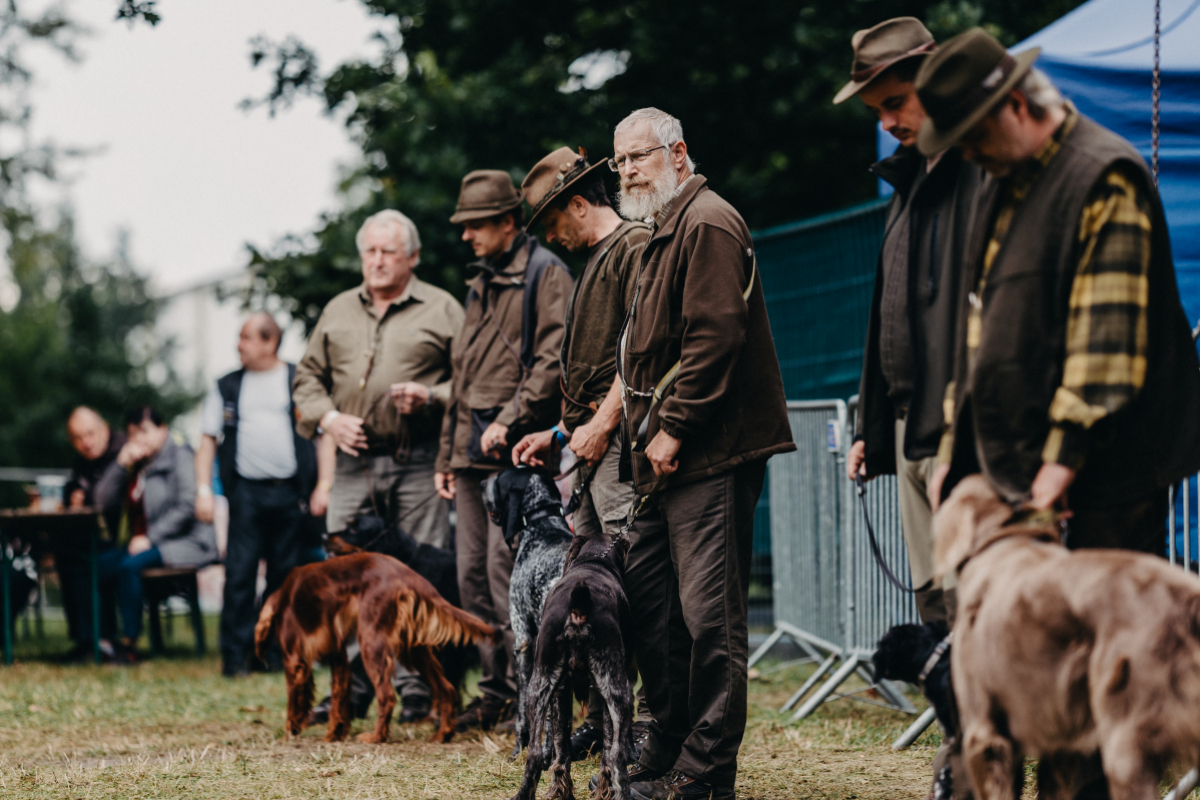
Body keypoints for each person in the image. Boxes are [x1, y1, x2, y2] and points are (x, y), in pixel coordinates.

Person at [917, 29, 1200, 800]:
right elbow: (978, 331)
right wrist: (953, 446)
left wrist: (1054, 472)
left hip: (1104, 474)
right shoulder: (998, 177)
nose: (968, 154)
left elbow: (1102, 343)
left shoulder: (1104, 174)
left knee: (1105, 700)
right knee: (1025, 685)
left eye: (973, 137)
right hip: (1021, 468)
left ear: (1015, 105)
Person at [610, 108, 793, 800]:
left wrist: (675, 426)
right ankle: (670, 742)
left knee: (709, 618)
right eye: (620, 160)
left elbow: (715, 336)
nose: (627, 170)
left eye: (639, 157)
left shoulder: (709, 221)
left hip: (707, 453)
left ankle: (708, 774)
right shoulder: (663, 227)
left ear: (677, 153)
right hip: (664, 459)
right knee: (653, 606)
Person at [836, 17, 984, 625]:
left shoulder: (981, 171)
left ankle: (987, 722)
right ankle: (958, 720)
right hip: (904, 424)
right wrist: (870, 425)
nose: (887, 123)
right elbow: (887, 316)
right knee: (933, 596)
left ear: (936, 79)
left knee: (977, 591)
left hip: (960, 426)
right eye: (877, 110)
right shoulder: (905, 183)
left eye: (894, 102)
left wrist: (967, 431)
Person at [294, 208, 462, 720]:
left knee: (417, 576)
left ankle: (418, 687)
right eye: (370, 250)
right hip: (352, 464)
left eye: (389, 251)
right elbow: (305, 381)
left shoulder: (443, 308)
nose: (378, 260)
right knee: (343, 576)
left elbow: (478, 381)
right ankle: (352, 685)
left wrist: (431, 396)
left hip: (418, 463)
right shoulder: (338, 310)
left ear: (412, 256)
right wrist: (329, 420)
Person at [511, 146, 652, 759]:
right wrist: (563, 433)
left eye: (551, 224)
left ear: (577, 203)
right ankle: (599, 722)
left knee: (632, 593)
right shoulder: (597, 259)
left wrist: (600, 425)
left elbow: (640, 354)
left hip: (621, 455)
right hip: (593, 450)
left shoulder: (633, 249)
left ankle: (641, 727)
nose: (551, 238)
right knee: (586, 598)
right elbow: (595, 371)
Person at [435, 169, 573, 731]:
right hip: (470, 457)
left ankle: (530, 699)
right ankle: (493, 692)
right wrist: (448, 455)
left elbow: (552, 360)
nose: (466, 236)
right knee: (471, 578)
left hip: (515, 454)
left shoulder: (546, 274)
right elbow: (462, 378)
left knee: (507, 577)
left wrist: (514, 421)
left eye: (476, 225)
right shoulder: (480, 281)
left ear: (508, 222)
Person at [195, 312, 317, 677]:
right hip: (245, 493)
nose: (239, 345)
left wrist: (321, 486)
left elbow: (321, 434)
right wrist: (203, 490)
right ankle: (234, 657)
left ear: (270, 342)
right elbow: (206, 442)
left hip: (290, 494)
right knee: (239, 574)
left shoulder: (298, 379)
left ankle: (275, 653)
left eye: (246, 337)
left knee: (284, 579)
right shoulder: (227, 386)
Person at [94, 407, 219, 664]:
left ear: (162, 430)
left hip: (187, 541)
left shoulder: (181, 457)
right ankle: (106, 641)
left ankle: (131, 644)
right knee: (99, 566)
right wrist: (120, 465)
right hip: (145, 543)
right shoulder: (136, 464)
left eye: (144, 432)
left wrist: (150, 538)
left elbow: (186, 505)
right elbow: (101, 500)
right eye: (132, 434)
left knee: (130, 567)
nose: (139, 439)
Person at [57, 406, 125, 661]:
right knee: (67, 556)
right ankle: (86, 639)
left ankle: (102, 639)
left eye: (90, 433)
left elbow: (104, 499)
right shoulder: (83, 463)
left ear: (104, 428)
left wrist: (84, 497)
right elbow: (77, 491)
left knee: (87, 564)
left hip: (127, 541)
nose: (86, 442)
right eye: (78, 437)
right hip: (97, 540)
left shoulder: (122, 453)